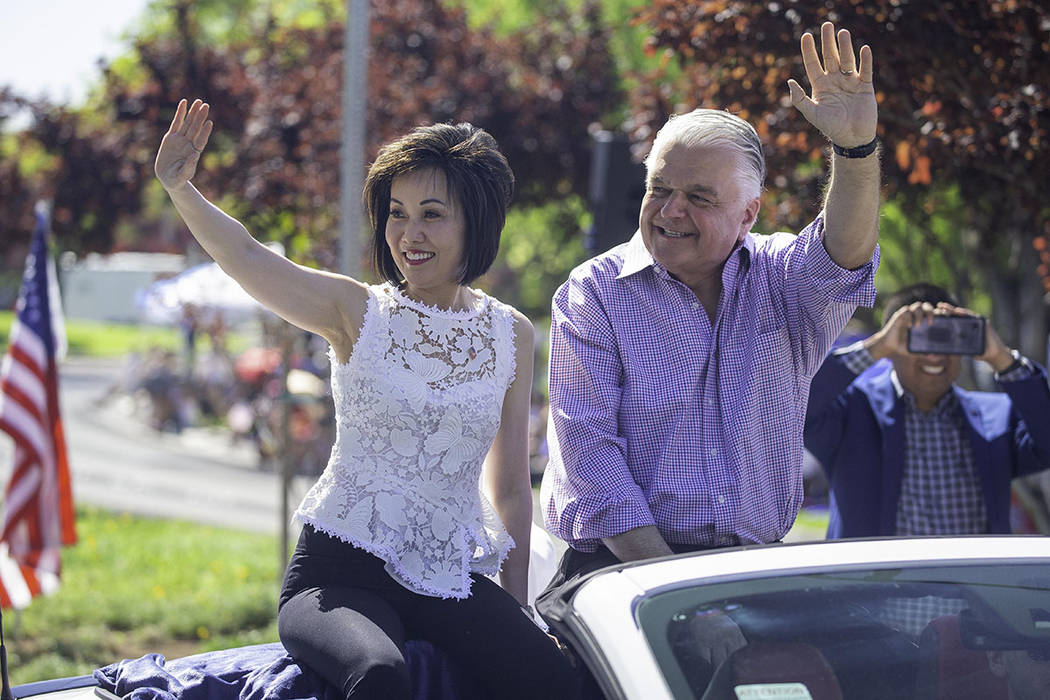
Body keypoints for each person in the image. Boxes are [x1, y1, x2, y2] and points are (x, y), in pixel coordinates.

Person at [155, 100, 578, 699]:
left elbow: (509, 488)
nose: (410, 234)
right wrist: (180, 187)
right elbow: (248, 257)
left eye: (433, 215)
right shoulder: (357, 312)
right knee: (380, 676)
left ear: (476, 224)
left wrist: (517, 610)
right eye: (397, 214)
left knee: (553, 675)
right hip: (338, 575)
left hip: (446, 576)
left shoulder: (512, 333)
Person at [539, 19, 881, 630]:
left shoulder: (783, 280)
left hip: (748, 574)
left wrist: (855, 152)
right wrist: (677, 598)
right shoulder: (593, 293)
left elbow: (844, 256)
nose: (671, 210)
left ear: (749, 213)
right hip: (619, 576)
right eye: (659, 188)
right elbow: (592, 465)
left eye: (699, 196)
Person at [805, 283, 1050, 539]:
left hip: (973, 577)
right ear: (892, 348)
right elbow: (797, 405)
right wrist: (875, 346)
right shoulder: (851, 412)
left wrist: (1001, 358)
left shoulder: (997, 417)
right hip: (876, 579)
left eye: (947, 338)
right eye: (919, 338)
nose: (934, 356)